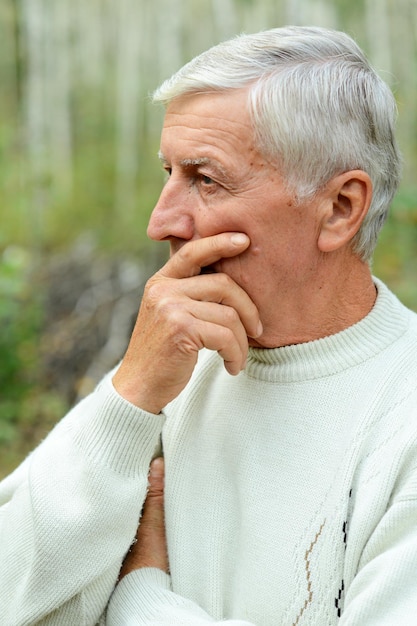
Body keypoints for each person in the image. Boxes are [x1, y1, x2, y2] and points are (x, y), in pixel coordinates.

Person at [1, 24, 416, 626]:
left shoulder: (401, 414)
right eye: (166, 173)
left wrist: (138, 598)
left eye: (205, 178)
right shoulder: (169, 365)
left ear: (339, 208)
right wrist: (130, 397)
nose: (161, 220)